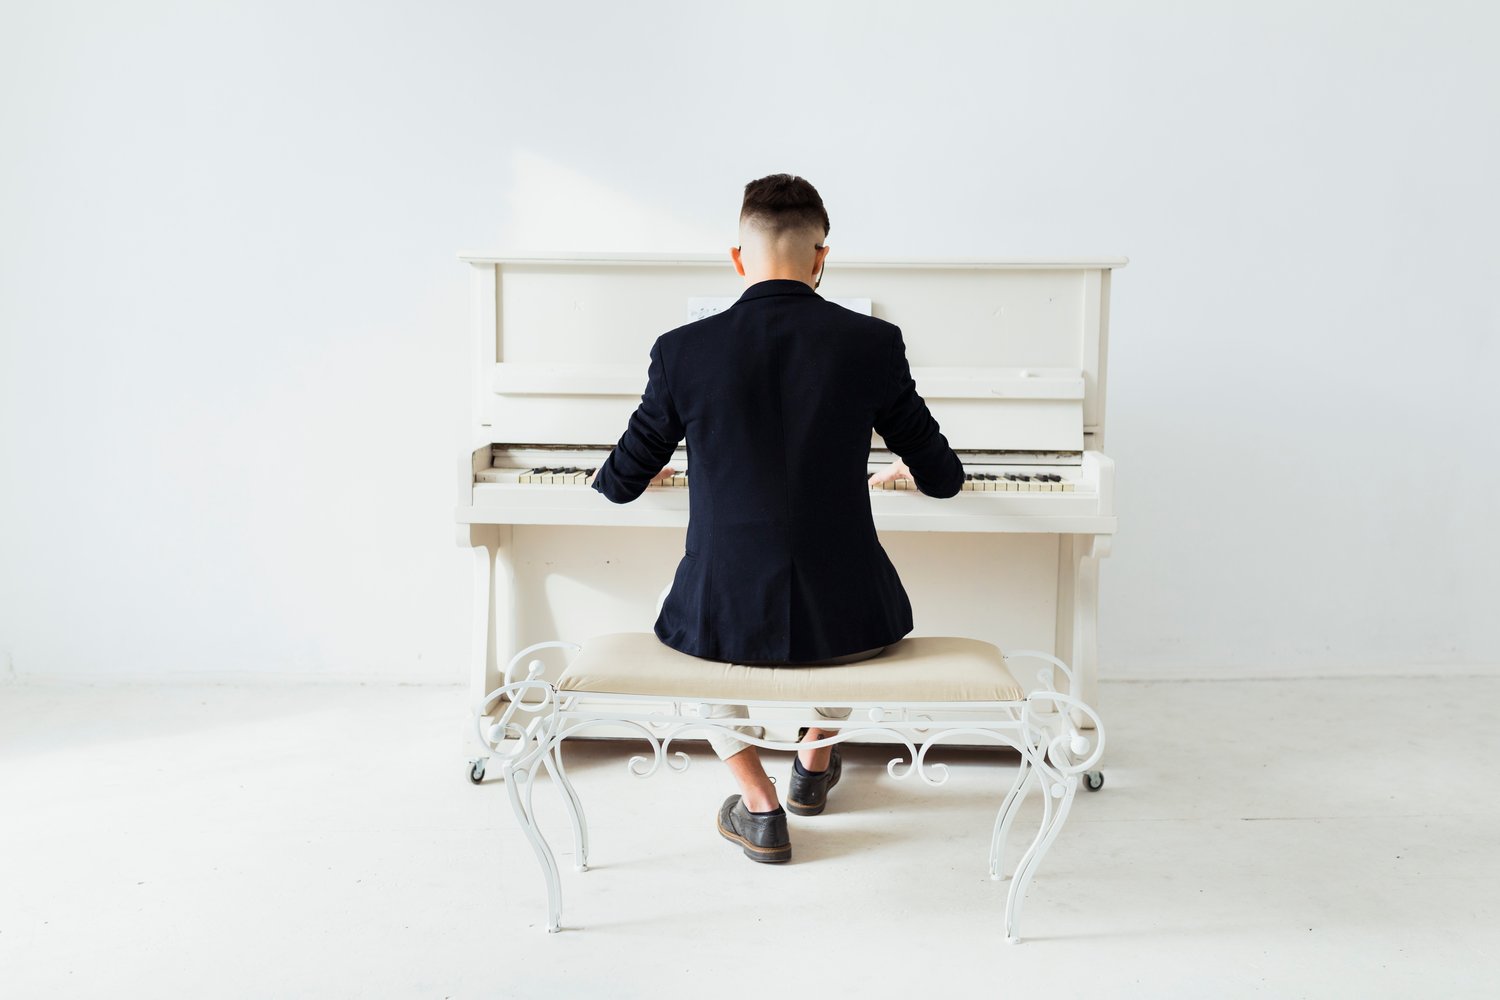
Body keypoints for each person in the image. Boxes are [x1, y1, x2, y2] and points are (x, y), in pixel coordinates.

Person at [590, 173, 964, 862]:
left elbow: (616, 483)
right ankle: (813, 770)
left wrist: (658, 473)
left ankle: (759, 808)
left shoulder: (682, 351)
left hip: (722, 613)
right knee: (846, 624)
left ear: (739, 257)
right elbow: (945, 480)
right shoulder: (873, 344)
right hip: (849, 616)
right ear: (822, 258)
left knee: (689, 629)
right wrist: (910, 472)